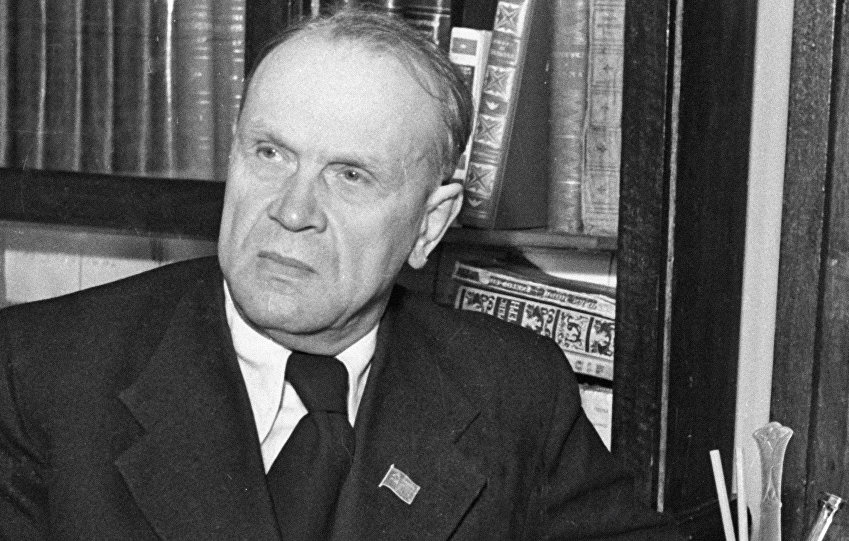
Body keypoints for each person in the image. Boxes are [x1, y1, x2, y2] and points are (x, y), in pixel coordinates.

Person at [0, 8, 683, 540]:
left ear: (430, 225)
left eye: (350, 175)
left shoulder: (510, 389)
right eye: (270, 154)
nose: (293, 210)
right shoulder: (41, 371)